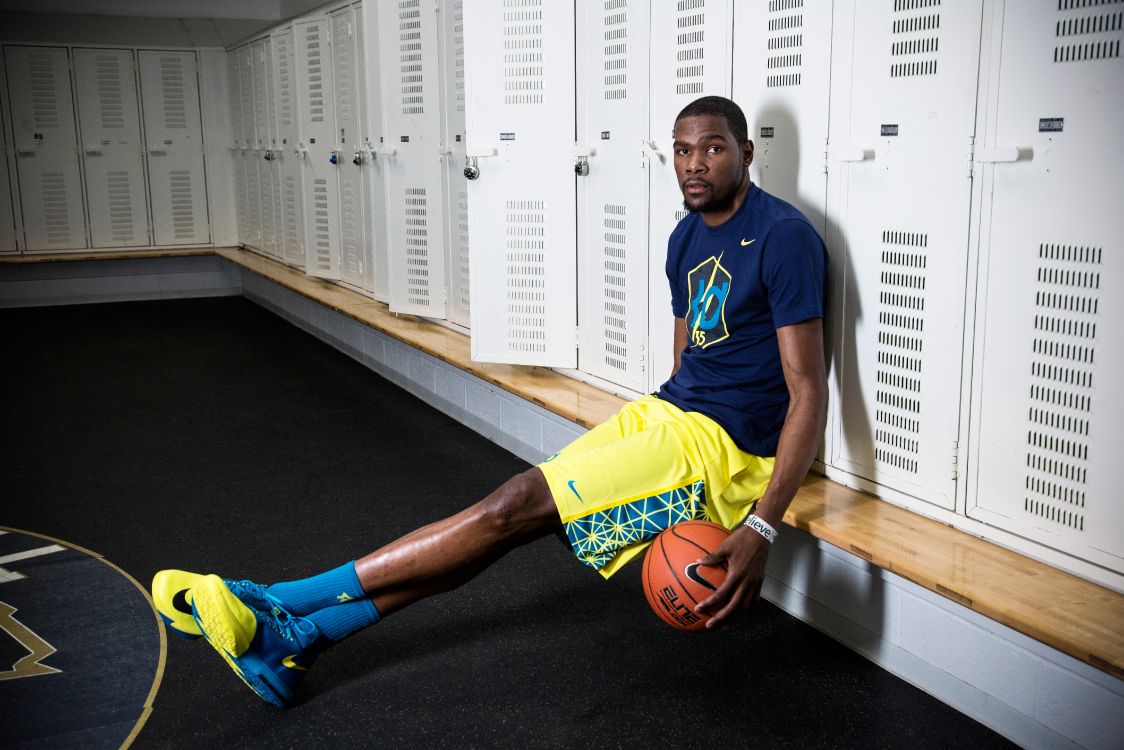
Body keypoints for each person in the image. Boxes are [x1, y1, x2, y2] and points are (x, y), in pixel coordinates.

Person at [152, 95, 829, 709]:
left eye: (712, 147)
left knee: (511, 508)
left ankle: (271, 602)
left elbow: (806, 393)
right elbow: (690, 361)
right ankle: (294, 643)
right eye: (681, 149)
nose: (693, 164)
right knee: (510, 522)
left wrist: (762, 524)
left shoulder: (784, 237)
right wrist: (645, 435)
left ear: (745, 152)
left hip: (722, 448)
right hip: (668, 415)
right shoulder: (685, 235)